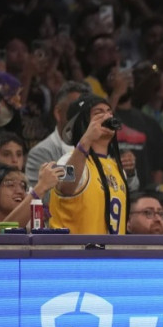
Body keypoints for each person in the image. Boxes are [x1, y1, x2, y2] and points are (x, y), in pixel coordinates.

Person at [49, 95, 129, 234]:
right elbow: (66, 187)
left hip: (110, 254)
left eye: (109, 111)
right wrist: (87, 139)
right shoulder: (64, 160)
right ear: (82, 123)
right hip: (75, 254)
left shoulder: (118, 168)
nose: (107, 116)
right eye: (98, 113)